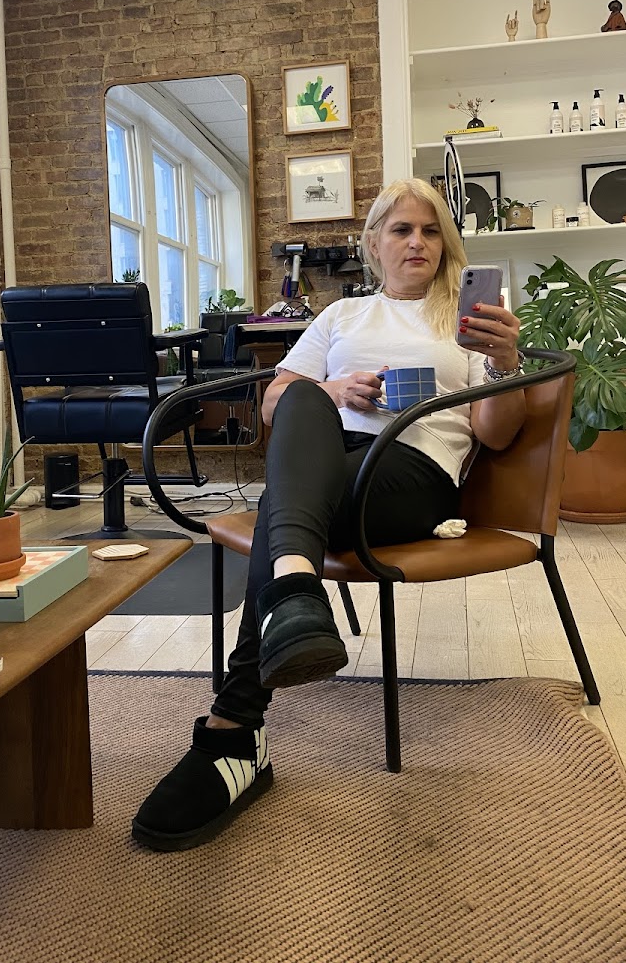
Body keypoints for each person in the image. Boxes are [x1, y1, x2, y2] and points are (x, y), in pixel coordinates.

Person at [132, 177, 525, 852]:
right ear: (373, 243)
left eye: (431, 230)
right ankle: (290, 600)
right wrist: (333, 388)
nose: (418, 242)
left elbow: (496, 434)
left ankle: (236, 728)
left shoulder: (466, 320)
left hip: (413, 471)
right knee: (300, 399)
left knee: (282, 507)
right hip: (325, 465)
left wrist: (504, 362)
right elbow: (273, 403)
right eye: (402, 229)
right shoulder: (342, 316)